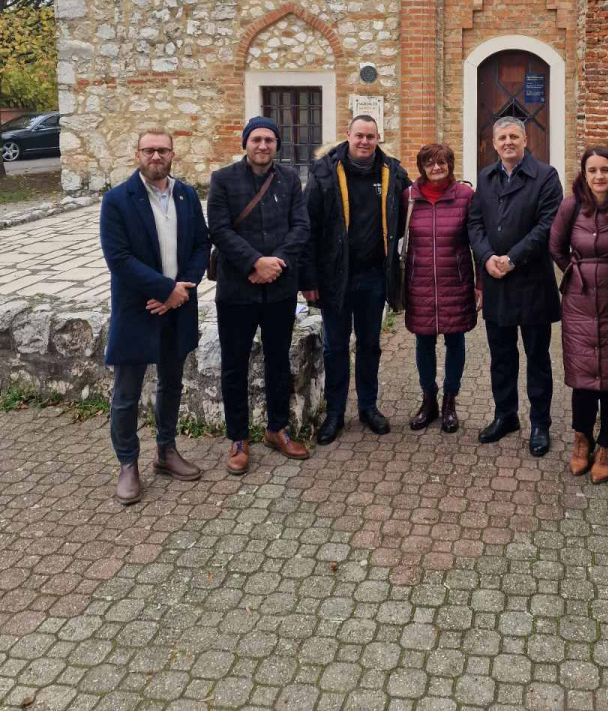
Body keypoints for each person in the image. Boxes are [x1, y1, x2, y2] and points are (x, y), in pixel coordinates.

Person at [99, 128, 210, 505]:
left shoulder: (186, 194)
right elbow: (118, 259)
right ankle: (128, 464)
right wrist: (164, 291)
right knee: (127, 393)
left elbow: (200, 244)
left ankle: (166, 451)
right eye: (149, 150)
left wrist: (182, 288)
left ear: (172, 153)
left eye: (162, 150)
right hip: (138, 308)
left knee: (172, 383)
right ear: (137, 154)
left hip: (179, 306)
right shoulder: (117, 200)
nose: (156, 156)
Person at [207, 116, 313, 474]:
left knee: (277, 361)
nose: (263, 145)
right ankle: (238, 438)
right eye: (256, 139)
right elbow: (219, 230)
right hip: (237, 290)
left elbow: (301, 227)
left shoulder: (289, 180)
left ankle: (277, 428)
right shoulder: (223, 180)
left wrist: (277, 262)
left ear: (277, 145)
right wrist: (254, 262)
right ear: (245, 143)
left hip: (280, 289)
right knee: (234, 365)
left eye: (269, 140)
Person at [304, 115, 410, 444]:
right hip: (335, 277)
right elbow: (308, 228)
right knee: (336, 347)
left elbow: (409, 207)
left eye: (370, 136)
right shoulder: (324, 172)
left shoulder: (393, 171)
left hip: (374, 276)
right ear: (348, 136)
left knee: (369, 346)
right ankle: (335, 412)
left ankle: (367, 407)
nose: (364, 142)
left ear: (379, 138)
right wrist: (308, 278)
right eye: (359, 136)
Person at [468, 116, 563, 456]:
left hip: (532, 281)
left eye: (514, 136)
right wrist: (487, 256)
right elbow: (475, 222)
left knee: (537, 357)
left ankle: (540, 423)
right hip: (497, 283)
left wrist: (511, 259)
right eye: (502, 137)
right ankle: (505, 415)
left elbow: (547, 225)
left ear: (526, 140)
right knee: (501, 357)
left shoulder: (546, 177)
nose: (508, 142)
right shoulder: (486, 176)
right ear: (494, 144)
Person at [549, 147, 608, 483]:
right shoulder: (571, 206)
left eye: (605, 170)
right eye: (593, 170)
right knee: (584, 376)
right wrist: (573, 272)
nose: (599, 176)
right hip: (580, 302)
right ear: (584, 174)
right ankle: (581, 438)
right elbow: (556, 246)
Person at [402, 142, 479, 434]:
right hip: (419, 282)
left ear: (450, 165)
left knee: (455, 342)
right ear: (421, 167)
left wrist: (479, 283)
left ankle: (450, 401)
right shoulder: (408, 197)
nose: (436, 168)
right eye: (430, 163)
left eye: (442, 163)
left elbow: (476, 241)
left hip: (455, 281)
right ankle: (428, 399)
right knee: (423, 343)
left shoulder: (465, 196)